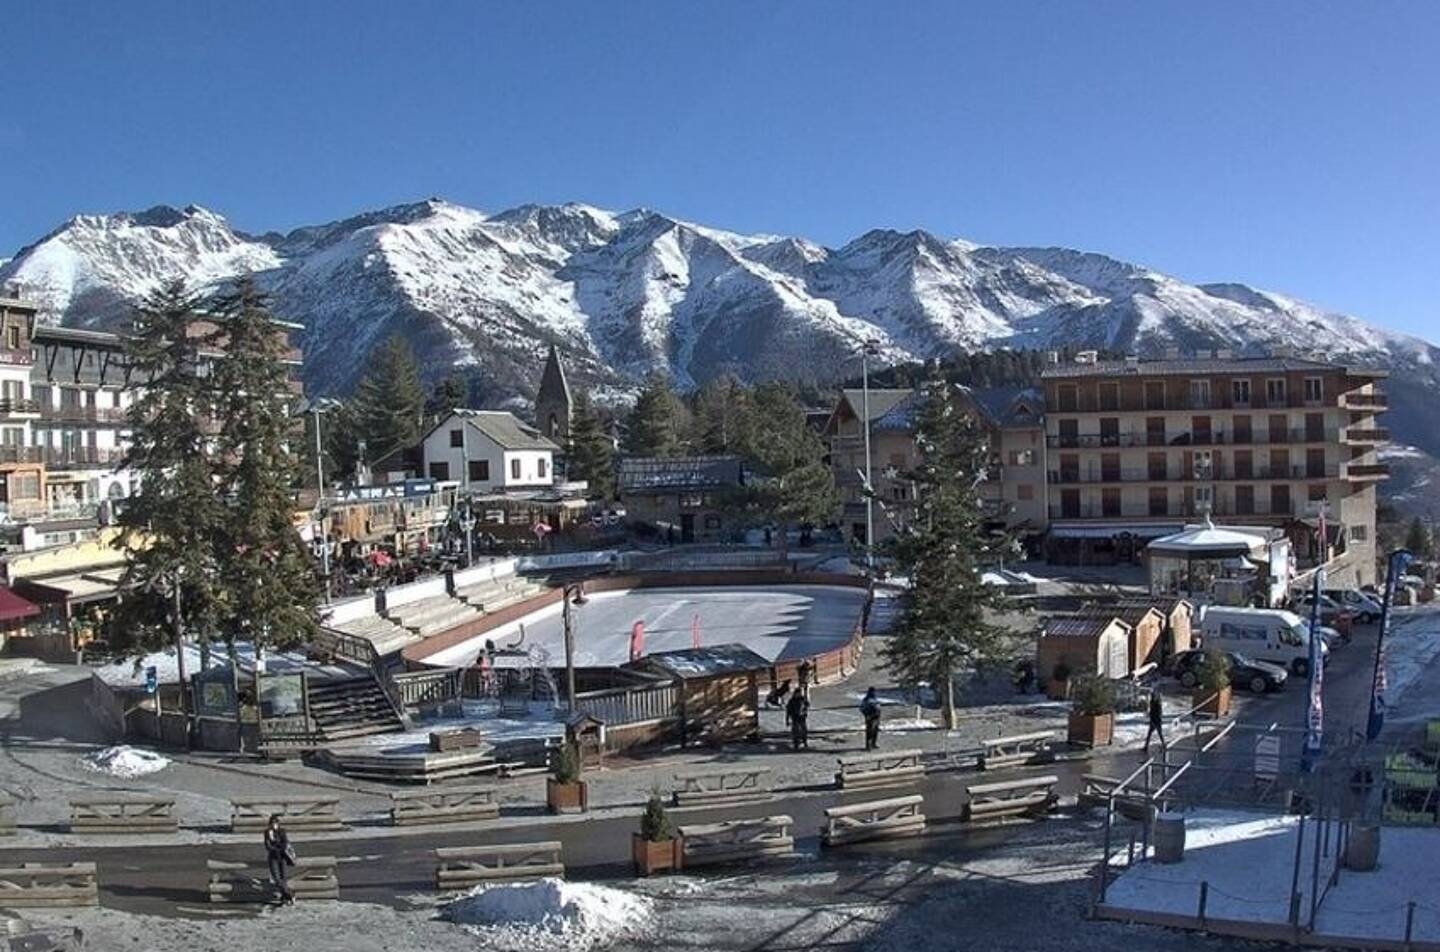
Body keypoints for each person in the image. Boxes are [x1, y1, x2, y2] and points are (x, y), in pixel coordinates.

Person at [263, 814, 294, 905]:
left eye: (275, 823)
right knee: (277, 879)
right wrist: (276, 848)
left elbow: (285, 843)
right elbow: (268, 845)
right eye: (272, 823)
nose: (274, 825)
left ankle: (284, 897)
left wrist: (279, 847)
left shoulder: (282, 831)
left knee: (283, 878)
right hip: (273, 857)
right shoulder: (267, 832)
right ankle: (290, 894)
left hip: (283, 857)